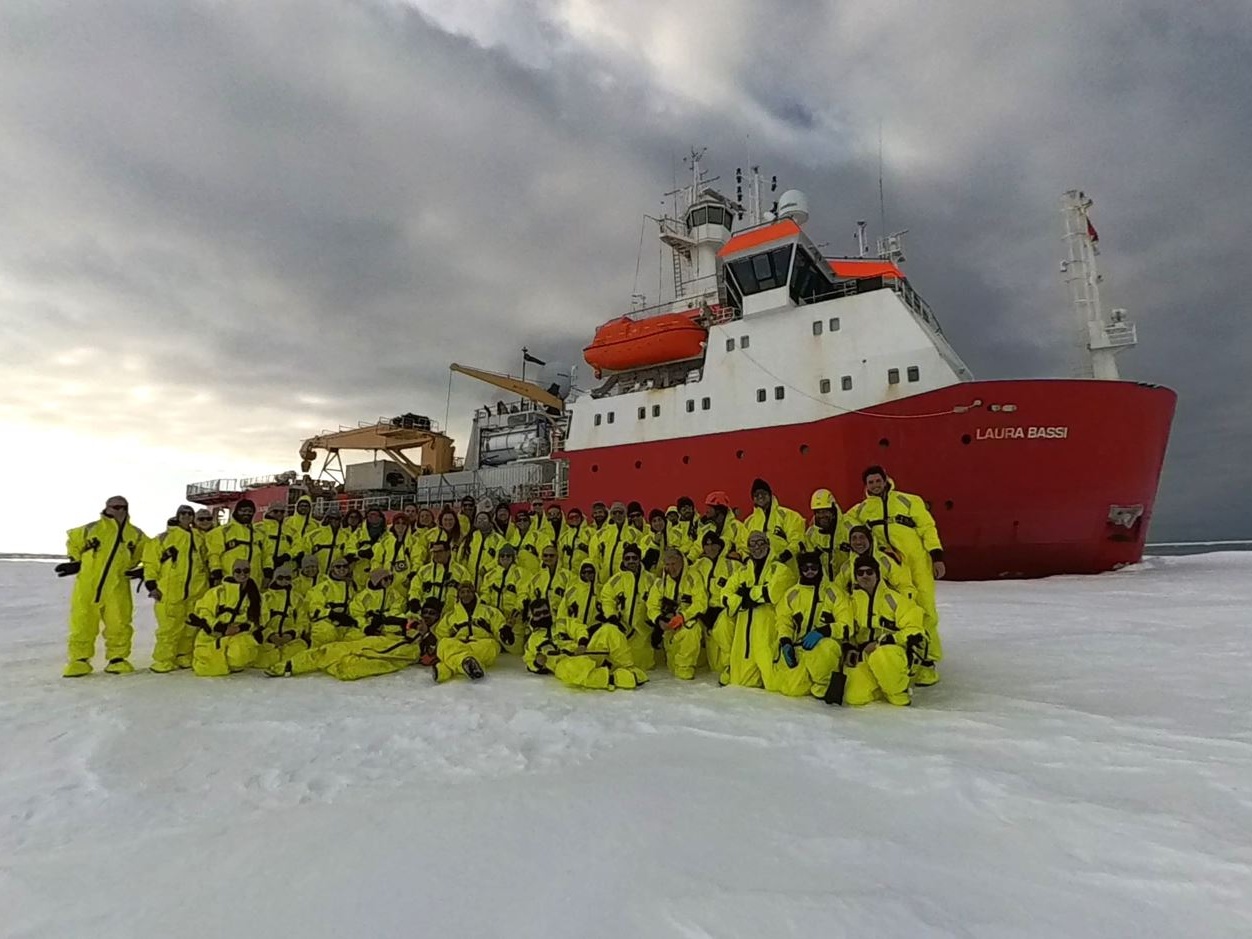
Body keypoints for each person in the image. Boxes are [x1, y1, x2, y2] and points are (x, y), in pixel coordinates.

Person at [847, 465, 944, 684]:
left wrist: (936, 555)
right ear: (866, 486)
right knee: (894, 611)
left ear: (885, 480)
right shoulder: (862, 510)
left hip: (916, 561)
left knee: (924, 609)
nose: (874, 485)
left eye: (877, 480)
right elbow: (846, 522)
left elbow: (927, 527)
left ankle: (927, 660)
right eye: (870, 482)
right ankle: (901, 655)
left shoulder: (909, 501)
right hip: (889, 564)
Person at [269, 581, 434, 681]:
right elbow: (399, 622)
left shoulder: (438, 630)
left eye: (432, 613)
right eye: (425, 612)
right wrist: (381, 623)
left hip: (403, 651)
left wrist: (425, 634)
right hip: (387, 641)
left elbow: (434, 650)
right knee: (335, 650)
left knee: (349, 668)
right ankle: (291, 665)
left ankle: (329, 665)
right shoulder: (414, 620)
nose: (427, 616)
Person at [57, 496, 148, 676]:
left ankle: (117, 659)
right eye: (116, 507)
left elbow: (150, 552)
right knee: (83, 622)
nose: (120, 510)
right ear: (107, 508)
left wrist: (141, 569)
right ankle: (79, 660)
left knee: (120, 623)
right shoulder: (92, 529)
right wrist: (75, 561)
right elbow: (73, 541)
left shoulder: (135, 534)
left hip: (118, 586)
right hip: (88, 585)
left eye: (124, 507)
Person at [840, 556, 928, 707]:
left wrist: (884, 641)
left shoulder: (894, 599)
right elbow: (849, 630)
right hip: (865, 653)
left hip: (892, 651)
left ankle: (899, 690)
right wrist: (850, 648)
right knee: (855, 697)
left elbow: (914, 628)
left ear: (877, 574)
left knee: (882, 656)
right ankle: (883, 683)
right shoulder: (852, 602)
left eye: (869, 572)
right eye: (860, 573)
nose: (865, 576)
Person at [718, 530, 796, 688]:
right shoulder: (742, 571)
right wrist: (744, 600)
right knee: (741, 684)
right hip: (745, 635)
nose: (757, 547)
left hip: (768, 631)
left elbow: (772, 593)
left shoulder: (780, 569)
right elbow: (725, 595)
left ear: (768, 545)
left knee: (774, 685)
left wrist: (747, 595)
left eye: (760, 543)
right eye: (752, 544)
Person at [143, 504, 211, 672]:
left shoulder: (198, 538)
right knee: (169, 628)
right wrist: (151, 584)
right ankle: (163, 660)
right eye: (183, 513)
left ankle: (183, 656)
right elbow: (151, 563)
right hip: (170, 590)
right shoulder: (163, 539)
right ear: (178, 516)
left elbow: (206, 559)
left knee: (190, 626)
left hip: (196, 589)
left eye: (190, 514)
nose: (186, 516)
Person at [773, 551, 846, 700]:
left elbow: (847, 625)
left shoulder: (834, 593)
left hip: (825, 646)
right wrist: (786, 641)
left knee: (824, 647)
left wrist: (824, 631)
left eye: (814, 567)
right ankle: (810, 680)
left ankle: (826, 685)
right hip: (801, 647)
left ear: (820, 568)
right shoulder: (792, 594)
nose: (810, 572)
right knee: (792, 689)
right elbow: (783, 620)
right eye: (805, 568)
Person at [188, 559, 262, 676]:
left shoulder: (254, 595)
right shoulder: (218, 592)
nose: (242, 574)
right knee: (205, 668)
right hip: (213, 634)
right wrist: (221, 627)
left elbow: (257, 619)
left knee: (241, 652)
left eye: (246, 571)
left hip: (237, 635)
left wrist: (239, 628)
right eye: (238, 571)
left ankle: (231, 661)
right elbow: (203, 611)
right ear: (232, 572)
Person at [645, 548, 707, 679]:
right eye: (667, 564)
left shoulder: (694, 577)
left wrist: (683, 616)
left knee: (691, 630)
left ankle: (686, 668)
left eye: (673, 564)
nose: (671, 568)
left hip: (689, 620)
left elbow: (701, 603)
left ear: (681, 561)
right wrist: (658, 620)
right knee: (672, 666)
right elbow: (651, 605)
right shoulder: (660, 582)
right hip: (669, 626)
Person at [431, 581, 505, 683]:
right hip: (459, 643)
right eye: (462, 592)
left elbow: (500, 630)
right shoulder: (450, 616)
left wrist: (496, 631)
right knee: (443, 644)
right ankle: (467, 663)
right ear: (458, 595)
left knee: (491, 646)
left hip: (481, 644)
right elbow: (440, 635)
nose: (466, 595)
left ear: (474, 593)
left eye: (468, 592)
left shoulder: (490, 612)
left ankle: (445, 669)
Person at [599, 542, 656, 669]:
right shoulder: (616, 580)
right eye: (627, 558)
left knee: (644, 667)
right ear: (623, 561)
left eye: (634, 558)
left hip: (643, 632)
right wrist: (612, 616)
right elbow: (607, 598)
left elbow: (657, 602)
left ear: (639, 559)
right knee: (620, 665)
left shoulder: (651, 580)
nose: (631, 561)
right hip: (622, 629)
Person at [691, 531, 739, 673]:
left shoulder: (732, 565)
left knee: (724, 633)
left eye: (713, 544)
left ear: (720, 546)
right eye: (707, 545)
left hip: (724, 610)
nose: (710, 548)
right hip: (706, 611)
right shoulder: (699, 565)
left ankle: (732, 667)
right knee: (715, 666)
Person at [740, 478, 805, 574]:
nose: (760, 496)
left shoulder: (788, 515)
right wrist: (747, 560)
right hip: (758, 573)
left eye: (763, 493)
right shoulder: (748, 522)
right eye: (756, 494)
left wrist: (785, 556)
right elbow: (743, 546)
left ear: (770, 494)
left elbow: (798, 540)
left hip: (785, 571)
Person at [832, 525, 913, 600]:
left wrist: (902, 605)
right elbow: (837, 589)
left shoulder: (884, 561)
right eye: (854, 538)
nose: (858, 542)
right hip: (859, 609)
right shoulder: (848, 566)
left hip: (883, 608)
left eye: (862, 537)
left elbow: (905, 586)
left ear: (870, 540)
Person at [254, 564, 308, 671]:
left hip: (289, 639)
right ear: (275, 578)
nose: (284, 581)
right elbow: (259, 621)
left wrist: (291, 634)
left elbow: (303, 621)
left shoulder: (297, 598)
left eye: (287, 578)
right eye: (280, 578)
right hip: (269, 639)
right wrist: (269, 635)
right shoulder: (265, 597)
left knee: (301, 648)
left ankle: (281, 664)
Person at [481, 543, 527, 653]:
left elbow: (523, 593)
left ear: (513, 558)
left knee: (516, 649)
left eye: (508, 556)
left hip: (512, 617)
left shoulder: (521, 573)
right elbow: (485, 592)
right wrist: (483, 603)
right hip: (494, 616)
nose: (505, 558)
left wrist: (517, 610)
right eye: (502, 556)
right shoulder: (490, 575)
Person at [205, 498, 263, 584]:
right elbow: (214, 554)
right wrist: (216, 571)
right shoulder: (223, 531)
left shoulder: (258, 534)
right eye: (243, 510)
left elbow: (265, 555)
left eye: (250, 511)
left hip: (254, 581)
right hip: (229, 580)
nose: (246, 513)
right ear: (236, 511)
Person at [304, 555, 357, 646]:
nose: (342, 569)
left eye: (345, 566)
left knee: (357, 637)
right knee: (325, 634)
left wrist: (352, 619)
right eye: (338, 566)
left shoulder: (351, 588)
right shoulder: (323, 587)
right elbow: (315, 608)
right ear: (332, 569)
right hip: (325, 621)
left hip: (344, 624)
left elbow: (355, 606)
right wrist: (331, 614)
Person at [409, 538, 469, 610]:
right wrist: (414, 600)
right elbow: (415, 588)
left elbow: (468, 590)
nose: (436, 554)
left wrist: (457, 586)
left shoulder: (460, 571)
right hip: (427, 611)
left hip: (451, 612)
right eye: (434, 552)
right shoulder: (424, 570)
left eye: (440, 551)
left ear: (448, 552)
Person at [804, 488, 847, 583]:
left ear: (833, 511)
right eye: (818, 512)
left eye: (825, 511)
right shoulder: (811, 534)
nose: (822, 515)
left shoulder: (848, 529)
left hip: (847, 583)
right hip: (824, 586)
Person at [304, 508, 356, 576]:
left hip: (337, 573)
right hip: (316, 573)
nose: (334, 521)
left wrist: (349, 556)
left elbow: (350, 548)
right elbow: (306, 550)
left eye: (337, 519)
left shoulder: (347, 535)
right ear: (326, 519)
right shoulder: (314, 534)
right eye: (331, 519)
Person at [459, 511, 506, 587]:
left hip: (489, 578)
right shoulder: (470, 537)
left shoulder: (498, 539)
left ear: (490, 522)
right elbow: (461, 556)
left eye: (484, 519)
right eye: (479, 519)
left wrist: (487, 568)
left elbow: (501, 558)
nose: (481, 521)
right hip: (469, 578)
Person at [593, 500, 634, 583]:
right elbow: (594, 556)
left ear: (625, 514)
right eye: (614, 513)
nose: (617, 515)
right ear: (611, 515)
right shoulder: (601, 534)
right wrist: (599, 572)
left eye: (620, 512)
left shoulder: (634, 533)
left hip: (624, 578)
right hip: (604, 578)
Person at [699, 491, 744, 562]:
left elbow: (743, 545)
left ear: (718, 510)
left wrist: (739, 555)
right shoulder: (707, 528)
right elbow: (697, 546)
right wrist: (690, 559)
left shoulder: (736, 526)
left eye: (709, 508)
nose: (706, 511)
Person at [527, 542, 570, 614]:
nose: (548, 558)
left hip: (559, 617)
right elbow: (532, 599)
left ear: (557, 557)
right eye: (545, 555)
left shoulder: (567, 576)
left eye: (551, 555)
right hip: (540, 617)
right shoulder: (536, 578)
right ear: (542, 557)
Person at [352, 506, 389, 588]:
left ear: (380, 517)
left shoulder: (388, 534)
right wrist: (358, 553)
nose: (372, 517)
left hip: (379, 572)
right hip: (360, 571)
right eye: (370, 515)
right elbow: (349, 547)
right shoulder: (359, 532)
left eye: (375, 515)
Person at [513, 508, 551, 576]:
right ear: (516, 523)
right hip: (518, 576)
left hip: (534, 574)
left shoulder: (538, 536)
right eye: (519, 520)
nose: (522, 522)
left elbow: (546, 556)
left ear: (529, 522)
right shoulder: (512, 539)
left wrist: (543, 574)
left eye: (525, 520)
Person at [557, 506, 593, 572]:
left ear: (581, 518)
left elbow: (595, 552)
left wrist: (585, 548)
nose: (574, 519)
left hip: (584, 571)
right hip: (567, 571)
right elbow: (559, 556)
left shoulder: (590, 532)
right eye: (571, 517)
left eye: (576, 517)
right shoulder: (564, 535)